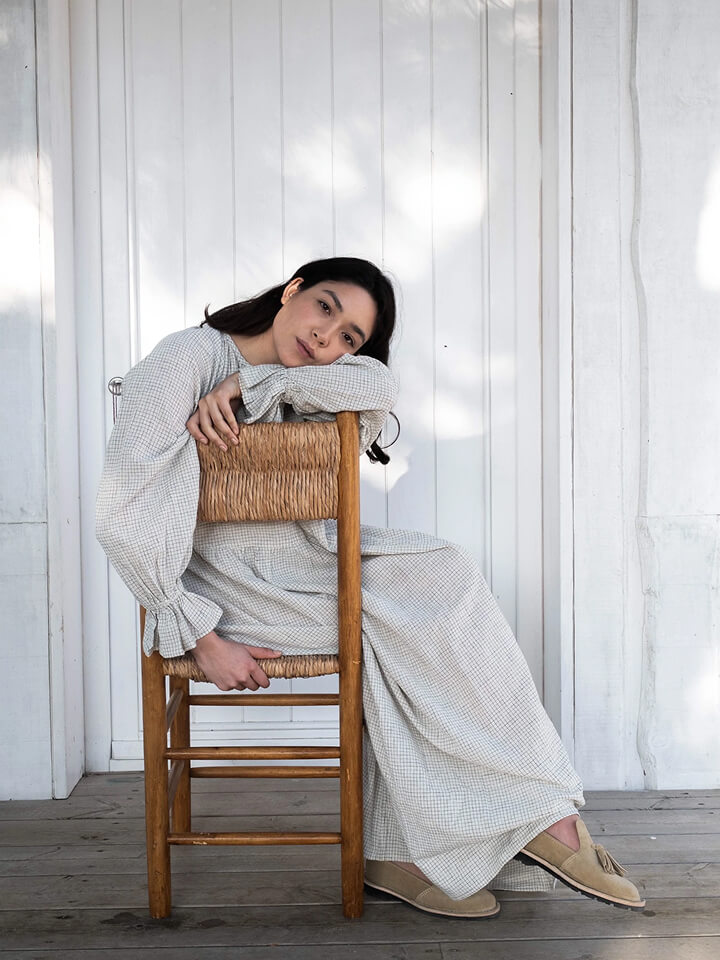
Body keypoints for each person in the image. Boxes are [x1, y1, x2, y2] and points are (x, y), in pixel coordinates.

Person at [96, 256, 645, 918]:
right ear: (292, 290)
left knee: (440, 573)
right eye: (325, 307)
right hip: (230, 596)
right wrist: (200, 635)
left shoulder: (307, 378)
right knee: (415, 614)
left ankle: (413, 847)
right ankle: (539, 818)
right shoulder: (184, 358)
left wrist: (253, 384)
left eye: (350, 335)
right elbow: (123, 515)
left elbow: (378, 385)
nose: (330, 338)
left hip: (311, 569)